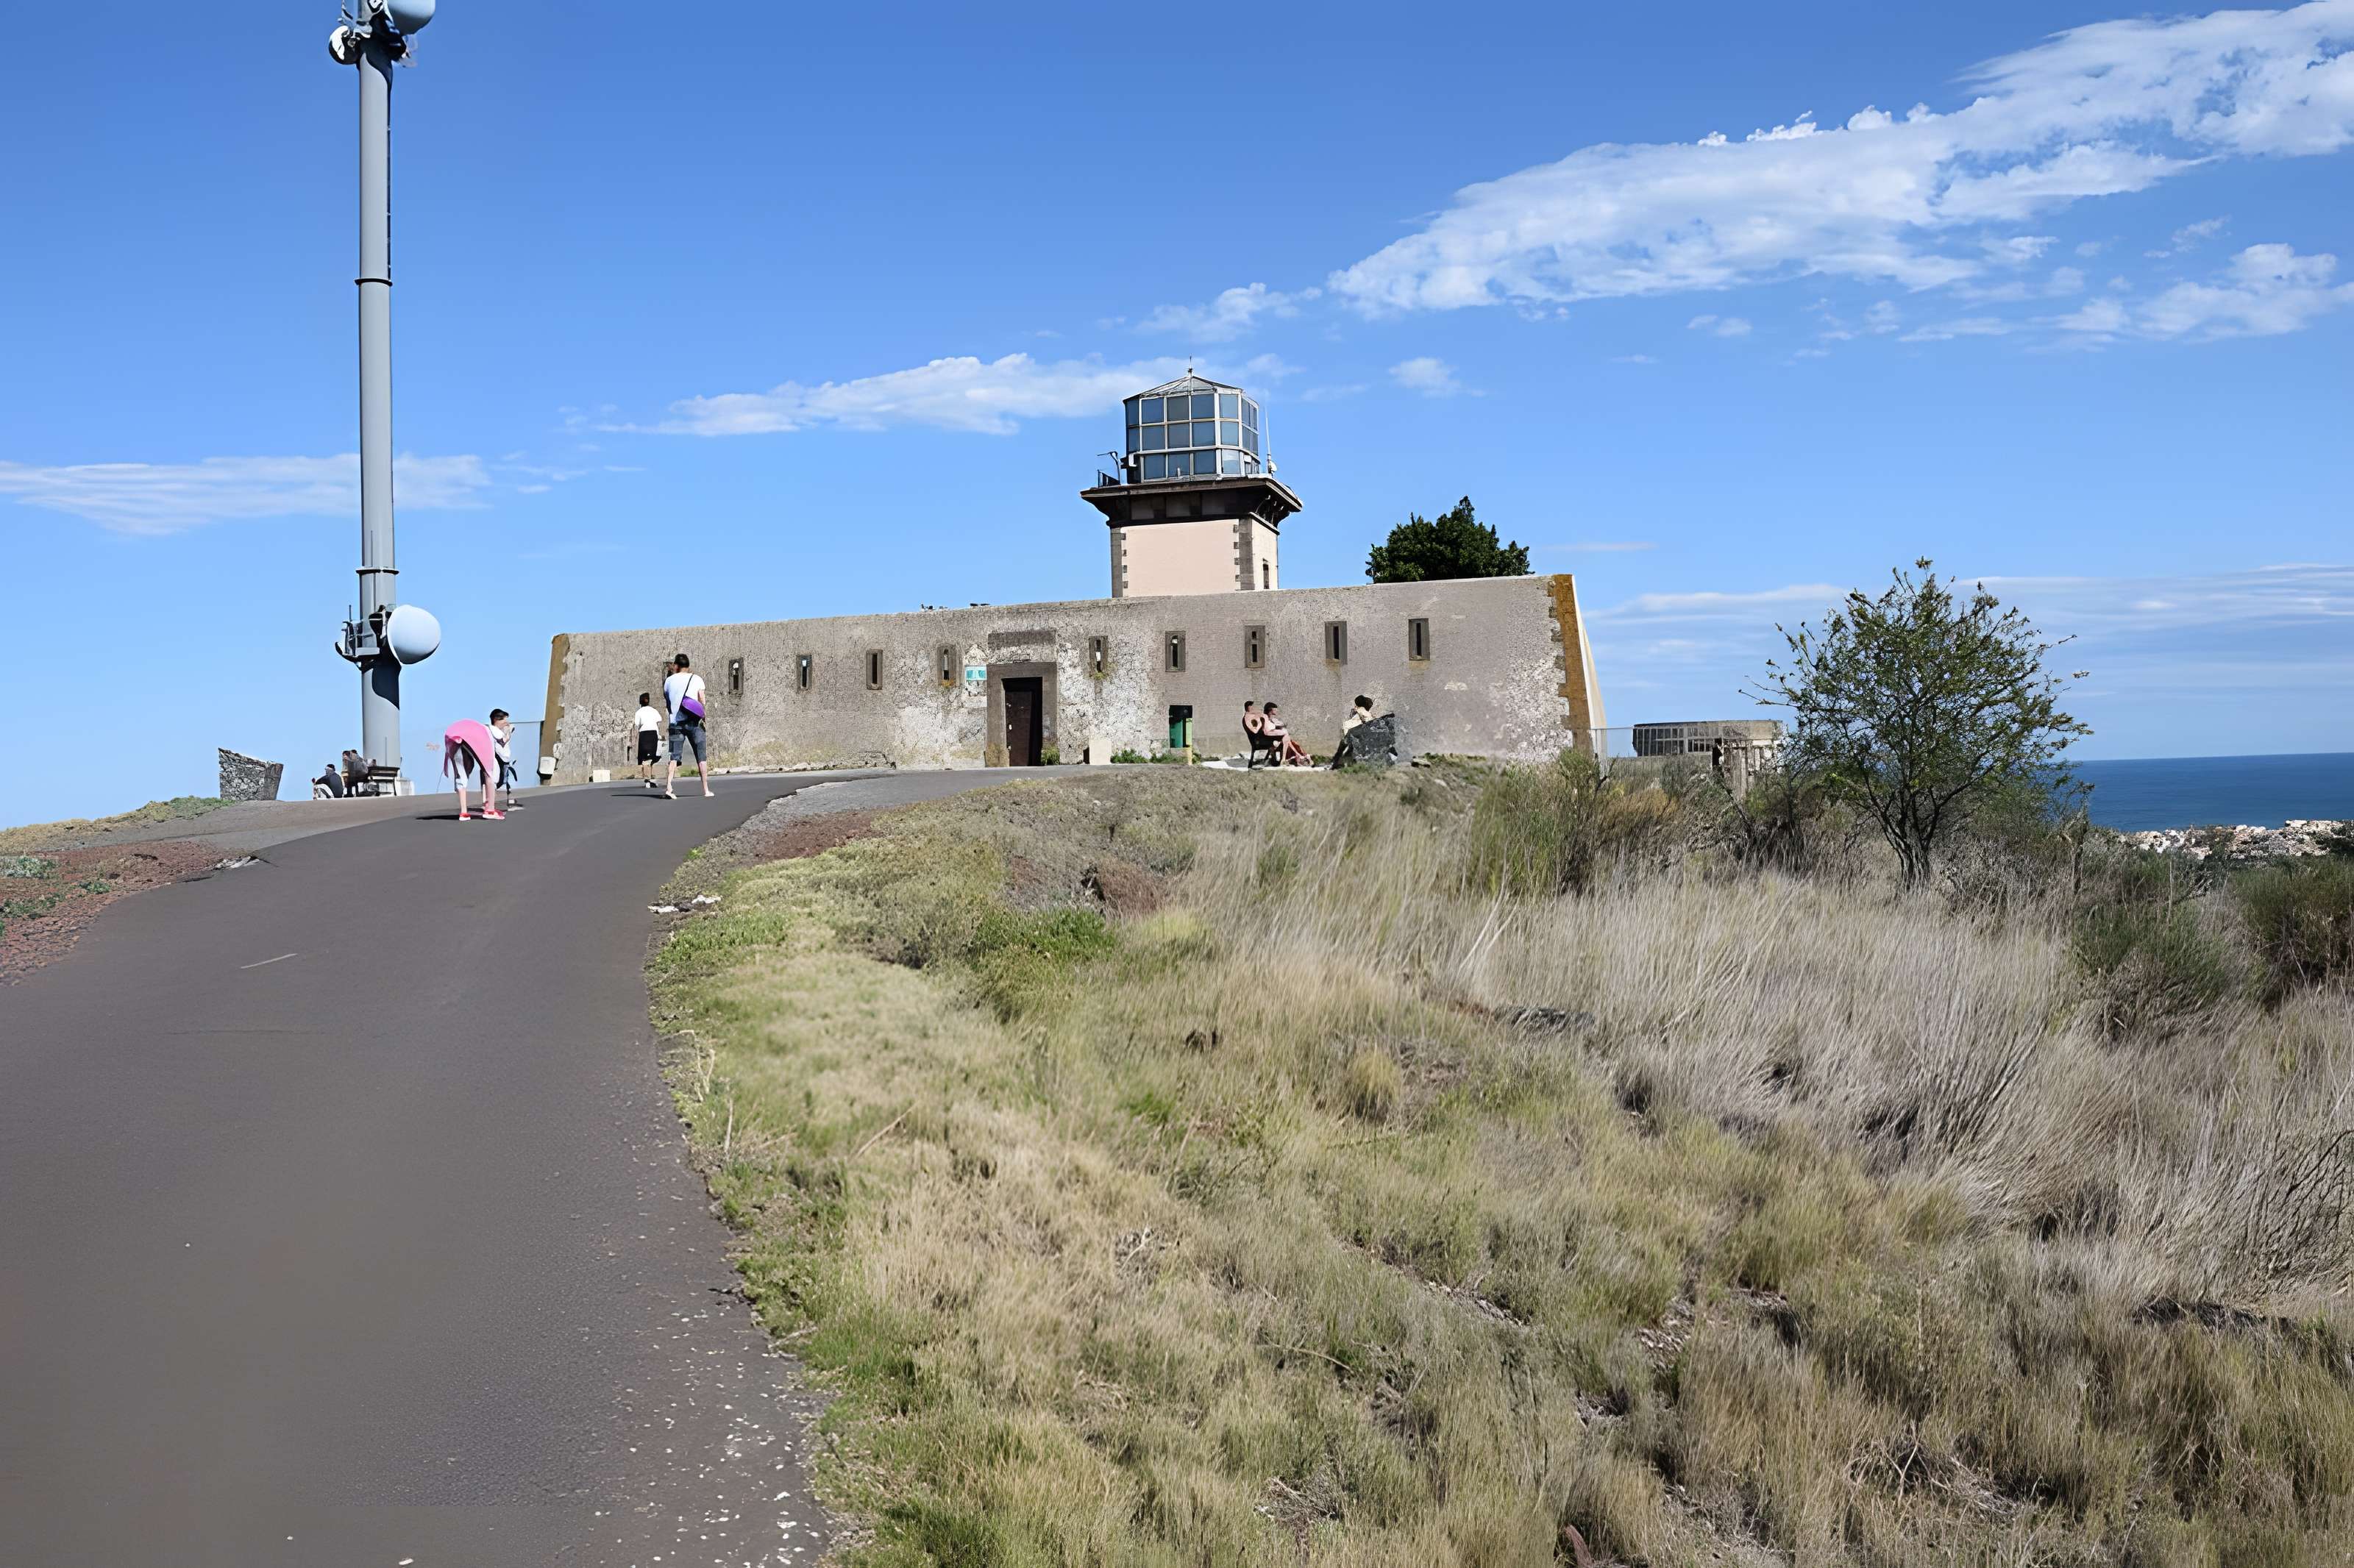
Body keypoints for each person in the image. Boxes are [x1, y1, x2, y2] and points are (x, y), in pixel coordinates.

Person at [662, 652, 714, 799]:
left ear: (676, 666)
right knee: (701, 756)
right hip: (694, 722)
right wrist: (704, 716)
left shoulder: (668, 681)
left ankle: (669, 787)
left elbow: (668, 703)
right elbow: (702, 700)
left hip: (676, 723)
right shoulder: (696, 679)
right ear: (688, 665)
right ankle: (706, 790)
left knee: (674, 756)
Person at [443, 716, 504, 822]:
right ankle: (490, 810)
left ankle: (464, 813)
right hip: (474, 736)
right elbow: (500, 739)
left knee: (461, 775)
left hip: (453, 737)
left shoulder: (476, 728)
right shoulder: (488, 731)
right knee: (490, 772)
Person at [488, 708, 521, 811]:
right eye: (504, 720)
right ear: (496, 720)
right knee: (496, 781)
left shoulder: (499, 731)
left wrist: (508, 730)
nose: (506, 722)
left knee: (506, 781)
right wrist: (509, 731)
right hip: (498, 759)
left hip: (504, 759)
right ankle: (490, 804)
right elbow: (503, 741)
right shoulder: (493, 731)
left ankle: (507, 803)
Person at [632, 690, 666, 789]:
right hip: (653, 734)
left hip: (644, 734)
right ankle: (649, 778)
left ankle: (648, 779)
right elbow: (659, 720)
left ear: (640, 702)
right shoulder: (654, 711)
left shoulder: (639, 712)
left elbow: (637, 724)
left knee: (645, 758)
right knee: (654, 756)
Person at [1260, 702, 1311, 768]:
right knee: (1286, 735)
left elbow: (1276, 726)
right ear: (1270, 710)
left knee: (1287, 737)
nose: (1277, 711)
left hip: (1273, 738)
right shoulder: (1266, 718)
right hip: (1270, 739)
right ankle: (1292, 757)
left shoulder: (1270, 718)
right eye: (1275, 709)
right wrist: (1278, 727)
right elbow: (1267, 730)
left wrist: (1279, 727)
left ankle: (1295, 756)